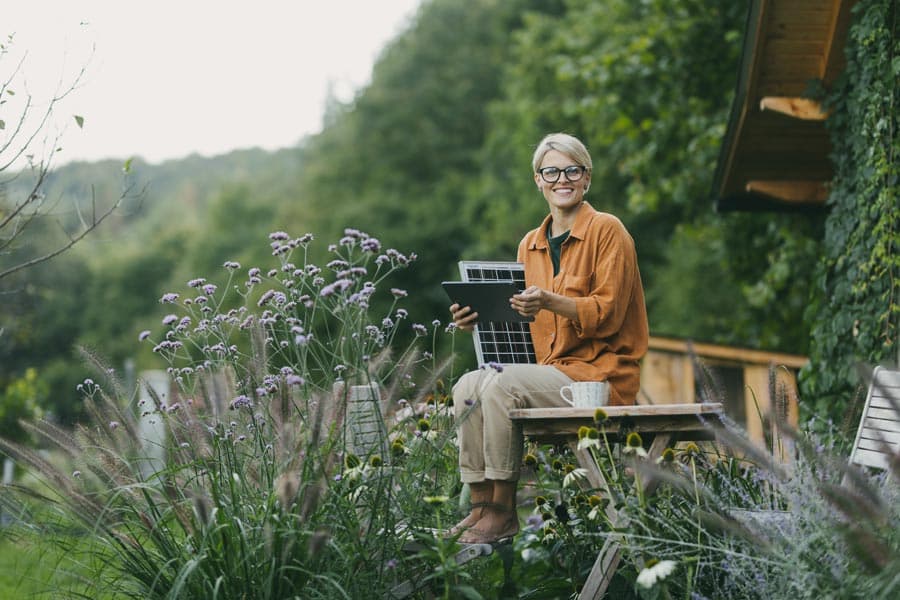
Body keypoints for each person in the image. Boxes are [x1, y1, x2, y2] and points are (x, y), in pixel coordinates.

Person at [448, 132, 649, 544]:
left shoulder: (608, 231)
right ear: (537, 180)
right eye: (552, 171)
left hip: (598, 380)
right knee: (468, 384)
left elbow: (608, 315)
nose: (563, 179)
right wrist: (478, 318)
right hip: (551, 374)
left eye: (572, 170)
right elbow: (525, 327)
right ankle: (481, 505)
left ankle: (504, 510)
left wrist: (553, 302)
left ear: (586, 178)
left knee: (501, 385)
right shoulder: (531, 244)